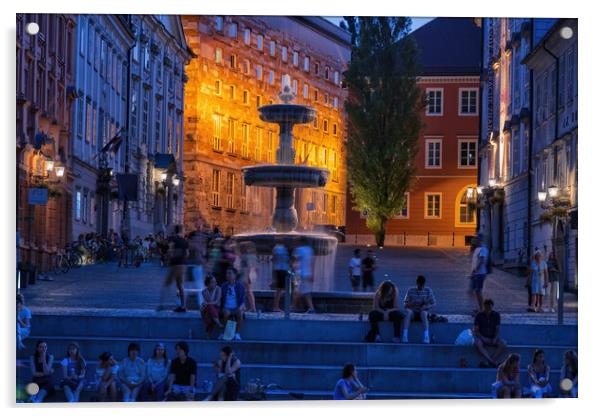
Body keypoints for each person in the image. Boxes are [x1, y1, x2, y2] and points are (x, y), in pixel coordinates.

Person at [158, 225, 189, 313]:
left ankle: (161, 305)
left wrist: (169, 258)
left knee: (166, 285)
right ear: (181, 230)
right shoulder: (185, 241)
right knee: (180, 286)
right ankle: (183, 306)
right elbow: (187, 254)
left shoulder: (173, 239)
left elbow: (170, 251)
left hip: (175, 264)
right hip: (183, 265)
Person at [402, 275, 436, 344]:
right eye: (419, 285)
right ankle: (404, 336)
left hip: (422, 313)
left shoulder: (428, 290)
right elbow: (405, 305)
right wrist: (412, 303)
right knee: (408, 312)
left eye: (422, 285)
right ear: (417, 283)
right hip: (413, 313)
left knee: (424, 313)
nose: (421, 287)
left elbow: (434, 303)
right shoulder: (411, 290)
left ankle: (426, 337)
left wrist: (426, 307)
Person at [474, 298, 507, 368]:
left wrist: (495, 338)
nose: (488, 309)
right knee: (477, 344)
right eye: (487, 307)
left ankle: (490, 361)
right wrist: (483, 338)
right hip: (483, 337)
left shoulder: (496, 315)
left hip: (493, 338)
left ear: (492, 307)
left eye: (490, 307)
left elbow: (497, 329)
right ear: (484, 307)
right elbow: (476, 330)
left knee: (503, 343)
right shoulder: (479, 315)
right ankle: (492, 362)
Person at [220, 267, 246, 341]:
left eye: (230, 273)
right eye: (227, 273)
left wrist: (240, 308)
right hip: (226, 307)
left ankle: (237, 333)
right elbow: (220, 299)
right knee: (226, 314)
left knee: (240, 313)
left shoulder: (240, 286)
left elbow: (243, 300)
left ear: (235, 275)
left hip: (236, 307)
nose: (227, 275)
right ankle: (226, 333)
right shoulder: (224, 286)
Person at [292, 238, 315, 313]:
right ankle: (311, 308)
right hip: (308, 274)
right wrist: (312, 274)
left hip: (300, 274)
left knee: (298, 291)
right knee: (306, 292)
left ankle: (294, 307)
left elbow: (295, 262)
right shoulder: (310, 250)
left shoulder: (298, 250)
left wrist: (293, 269)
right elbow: (312, 263)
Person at [470, 235, 489, 312]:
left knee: (478, 291)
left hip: (480, 273)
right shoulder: (477, 249)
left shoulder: (483, 249)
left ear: (479, 241)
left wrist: (475, 270)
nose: (474, 241)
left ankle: (482, 308)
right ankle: (480, 307)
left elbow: (481, 261)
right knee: (477, 291)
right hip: (477, 273)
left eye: (475, 240)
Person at [271, 242, 290, 312]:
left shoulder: (278, 248)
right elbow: (274, 259)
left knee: (280, 289)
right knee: (279, 289)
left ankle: (276, 306)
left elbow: (273, 259)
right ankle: (276, 307)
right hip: (281, 270)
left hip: (281, 269)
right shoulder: (279, 248)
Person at [239, 241, 258, 313]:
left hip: (245, 275)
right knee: (248, 291)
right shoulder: (248, 255)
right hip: (246, 275)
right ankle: (252, 307)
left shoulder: (245, 256)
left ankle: (251, 307)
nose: (240, 249)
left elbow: (248, 267)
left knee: (247, 291)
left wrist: (247, 276)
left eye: (241, 247)